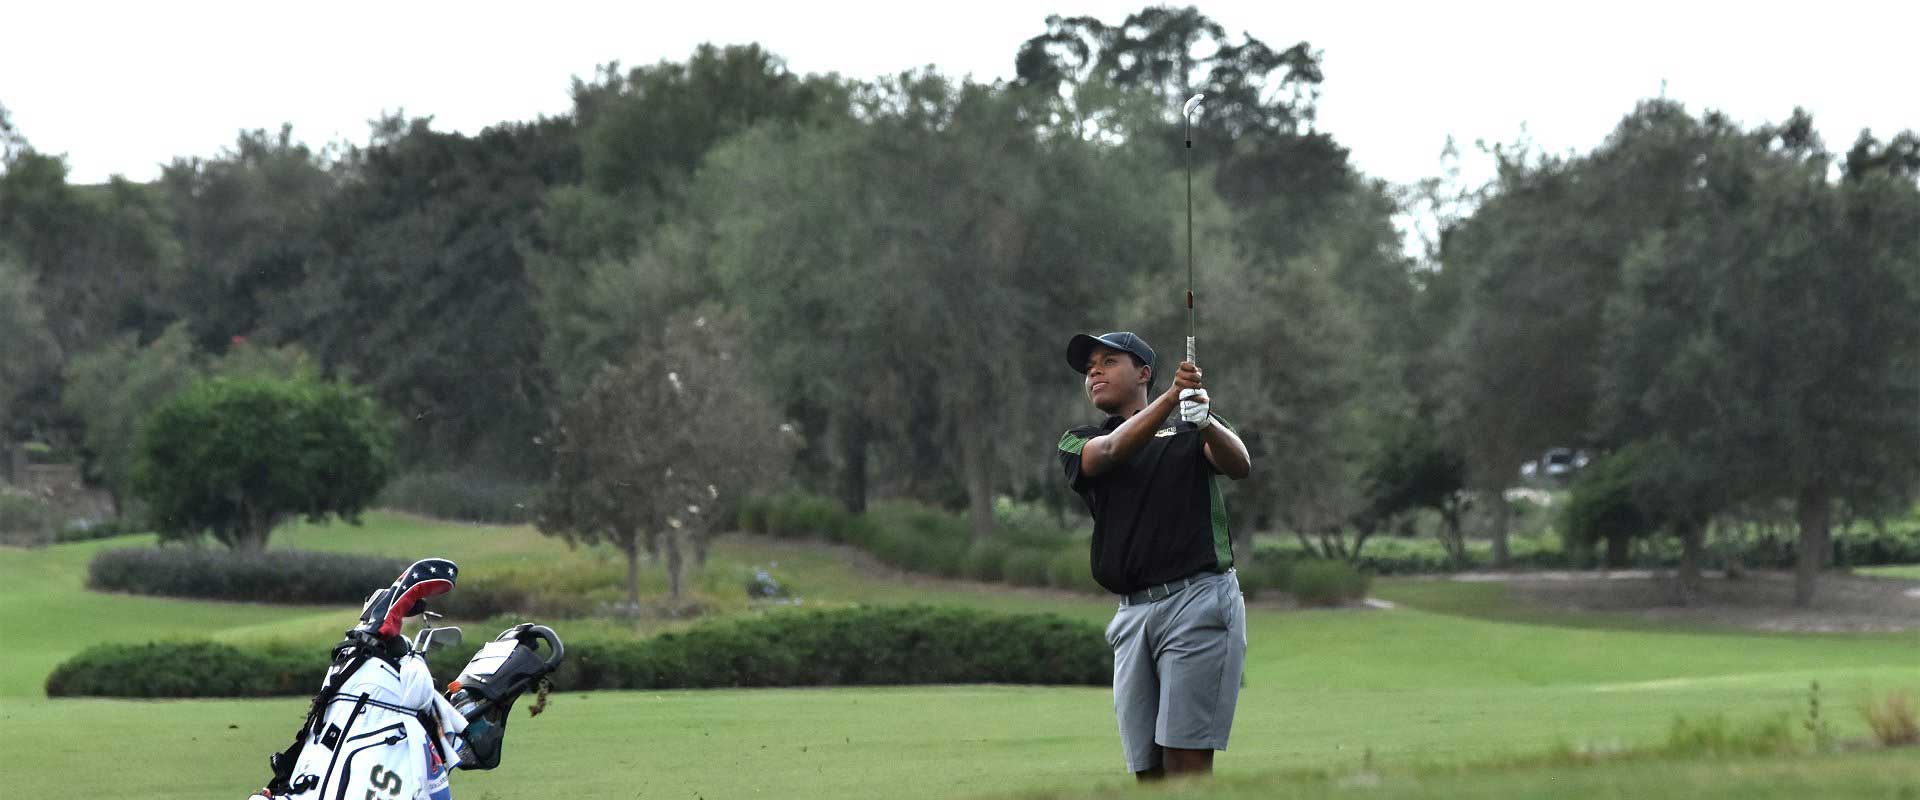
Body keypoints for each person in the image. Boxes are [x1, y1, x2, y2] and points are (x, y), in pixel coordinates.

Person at [1056, 331, 1251, 781]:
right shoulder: (1079, 439)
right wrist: (1171, 398)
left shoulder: (1190, 424)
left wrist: (1204, 421)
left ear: (1142, 372)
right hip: (1131, 615)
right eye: (1089, 369)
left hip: (1198, 599)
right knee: (1148, 773)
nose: (1094, 373)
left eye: (1107, 362)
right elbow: (1109, 453)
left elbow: (1239, 464)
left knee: (1185, 762)